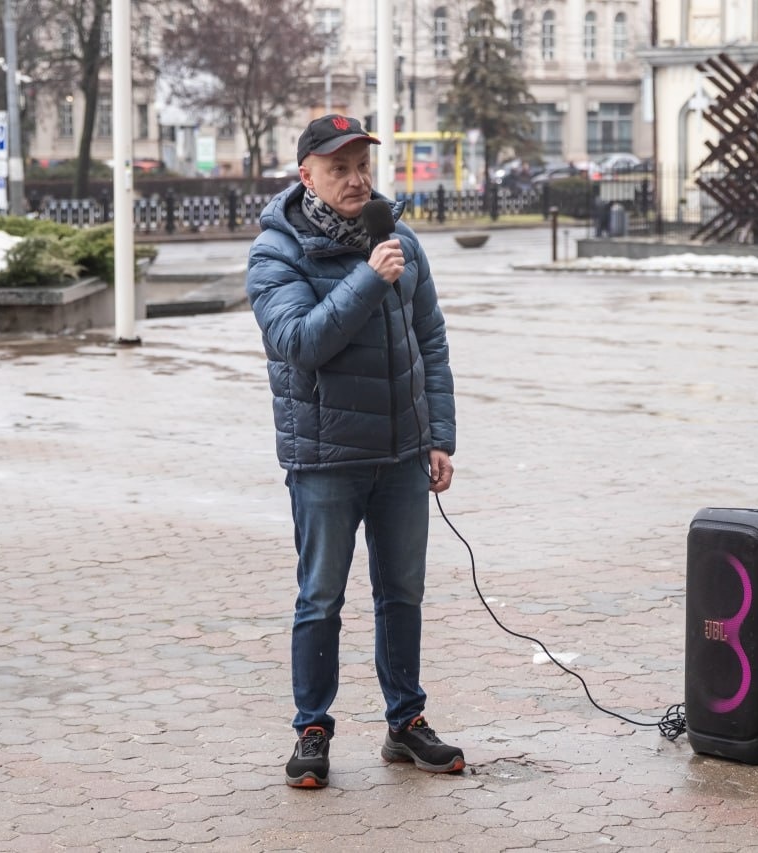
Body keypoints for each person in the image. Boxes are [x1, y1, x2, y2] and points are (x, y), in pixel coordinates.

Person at [246, 114, 464, 789]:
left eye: (361, 165)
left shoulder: (399, 239)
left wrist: (439, 436)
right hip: (325, 458)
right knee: (321, 597)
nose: (355, 179)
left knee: (402, 593)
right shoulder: (276, 251)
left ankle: (406, 723)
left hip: (402, 454)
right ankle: (312, 729)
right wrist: (368, 279)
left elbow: (431, 339)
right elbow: (300, 343)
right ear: (306, 175)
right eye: (338, 167)